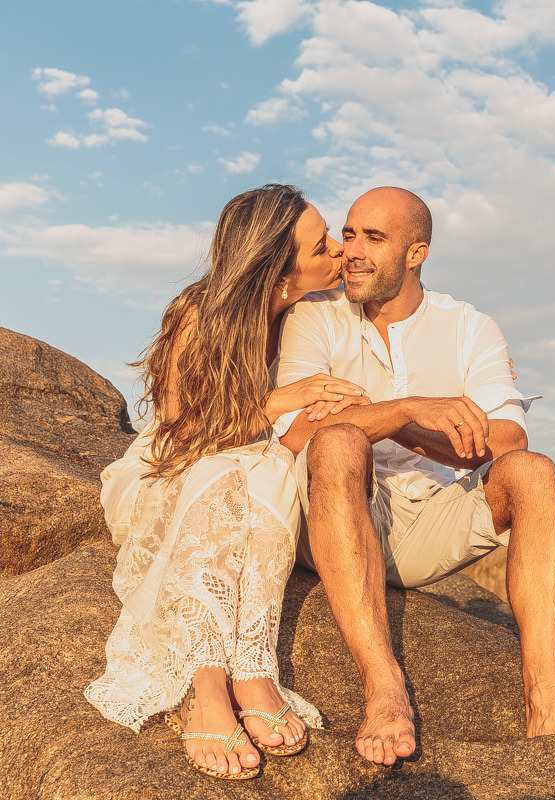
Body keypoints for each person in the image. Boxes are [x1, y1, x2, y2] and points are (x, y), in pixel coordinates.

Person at [274, 186, 555, 766]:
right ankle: (384, 687)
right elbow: (295, 433)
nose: (353, 252)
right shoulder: (314, 318)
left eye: (374, 238)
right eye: (348, 234)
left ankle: (548, 700)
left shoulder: (469, 326)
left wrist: (395, 427)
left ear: (416, 253)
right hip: (331, 513)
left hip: (426, 519)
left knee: (533, 473)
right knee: (339, 441)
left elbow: (507, 439)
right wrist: (409, 409)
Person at [85, 184, 370, 780]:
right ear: (278, 267)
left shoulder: (305, 317)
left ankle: (253, 669)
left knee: (265, 470)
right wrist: (282, 401)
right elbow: (177, 438)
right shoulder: (200, 313)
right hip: (168, 470)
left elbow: (281, 443)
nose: (339, 253)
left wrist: (312, 419)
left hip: (248, 466)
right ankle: (206, 680)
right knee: (226, 472)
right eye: (323, 246)